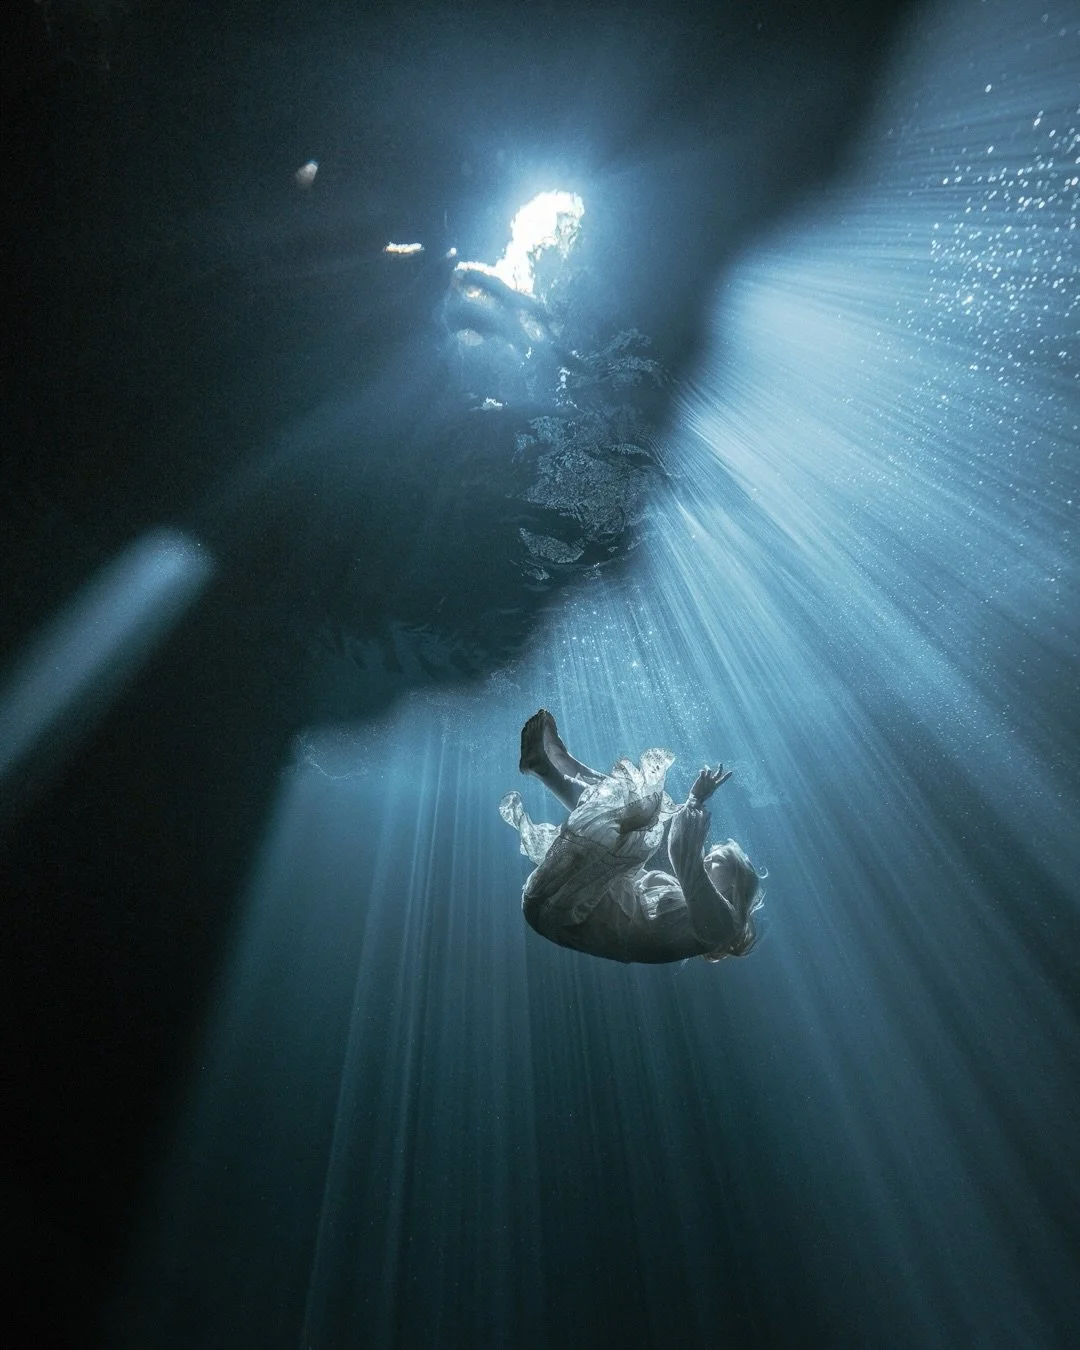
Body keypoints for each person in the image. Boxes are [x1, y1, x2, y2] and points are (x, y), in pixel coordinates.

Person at [500, 709, 763, 964]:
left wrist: (695, 801)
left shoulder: (724, 927)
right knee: (633, 815)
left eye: (717, 861)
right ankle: (556, 762)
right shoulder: (684, 900)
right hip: (565, 903)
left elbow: (685, 858)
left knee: (638, 816)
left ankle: (549, 765)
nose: (707, 860)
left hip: (564, 912)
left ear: (734, 886)